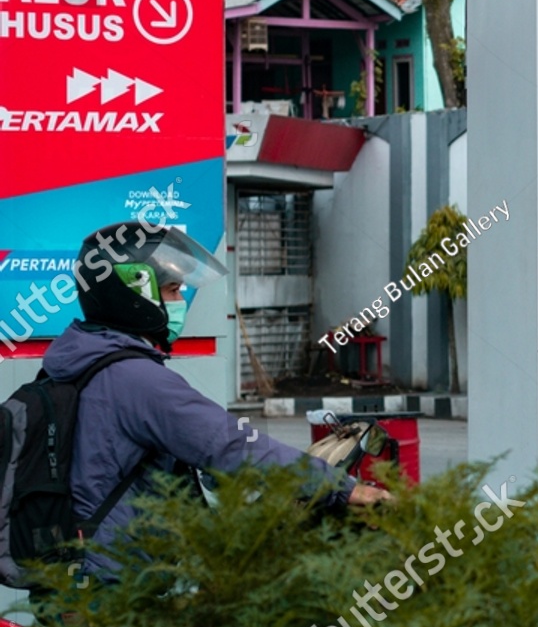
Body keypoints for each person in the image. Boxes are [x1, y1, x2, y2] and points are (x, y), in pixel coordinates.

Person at [41, 222, 388, 579]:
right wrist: (342, 488)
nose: (179, 303)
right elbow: (229, 443)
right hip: (111, 580)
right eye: (173, 290)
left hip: (73, 566)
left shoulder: (76, 361)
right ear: (134, 293)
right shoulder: (135, 379)